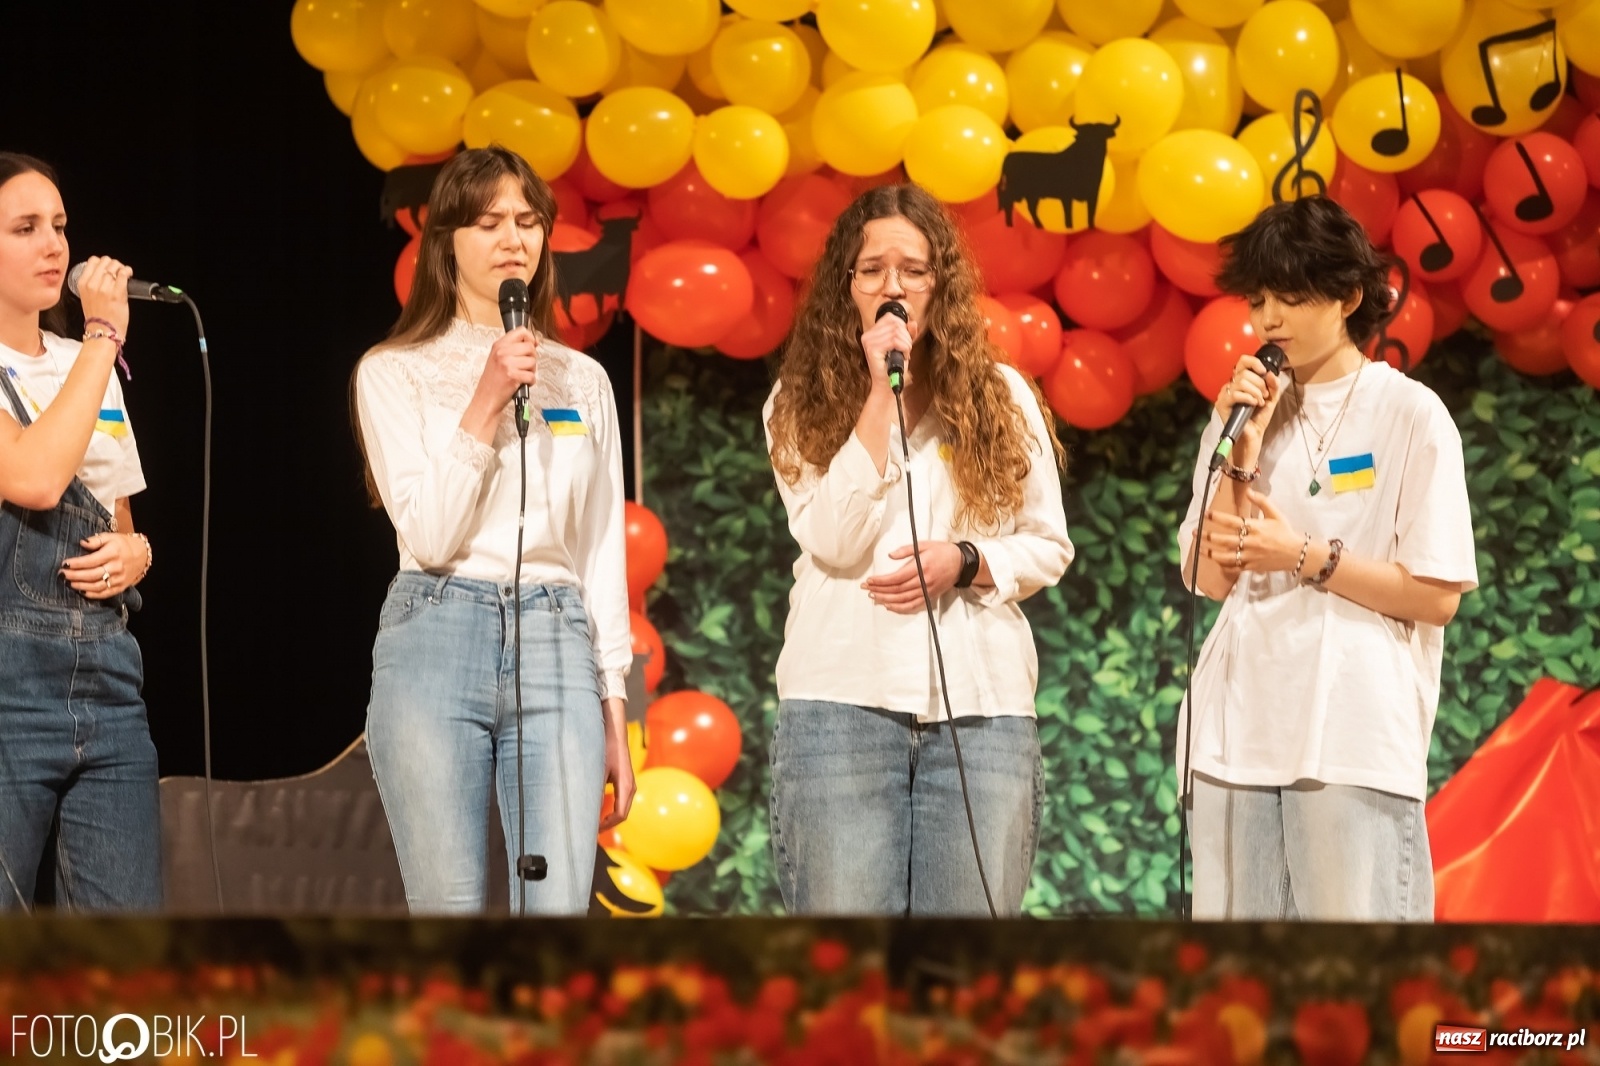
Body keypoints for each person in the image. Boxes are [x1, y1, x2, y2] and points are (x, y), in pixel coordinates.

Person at [763, 183, 1074, 916]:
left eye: (913, 270)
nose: (892, 287)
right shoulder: (797, 399)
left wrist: (965, 562)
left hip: (980, 711)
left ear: (941, 285)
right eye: (871, 270)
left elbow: (1047, 545)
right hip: (839, 707)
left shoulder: (1002, 395)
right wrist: (881, 396)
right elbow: (834, 539)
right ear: (846, 286)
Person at [1177, 195, 1478, 921]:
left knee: (1353, 971)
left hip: (1352, 732)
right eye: (1259, 300)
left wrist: (1304, 555)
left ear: (1348, 298)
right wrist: (1241, 457)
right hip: (1232, 734)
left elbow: (1437, 595)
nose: (1269, 319)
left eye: (1290, 296)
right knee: (1237, 977)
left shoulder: (1409, 412)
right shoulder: (1240, 414)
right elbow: (1208, 578)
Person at [353, 146, 633, 915]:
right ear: (445, 242)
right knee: (448, 909)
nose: (513, 239)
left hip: (557, 636)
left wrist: (614, 706)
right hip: (438, 628)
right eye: (488, 223)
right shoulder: (394, 371)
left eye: (527, 221)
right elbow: (432, 534)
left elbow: (600, 550)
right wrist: (484, 399)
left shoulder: (584, 380)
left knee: (556, 908)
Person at [0, 152, 160, 911]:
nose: (55, 246)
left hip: (108, 681)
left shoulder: (81, 361)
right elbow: (34, 478)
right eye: (25, 227)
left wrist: (137, 553)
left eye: (60, 226)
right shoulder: (95, 351)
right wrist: (103, 335)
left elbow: (118, 515)